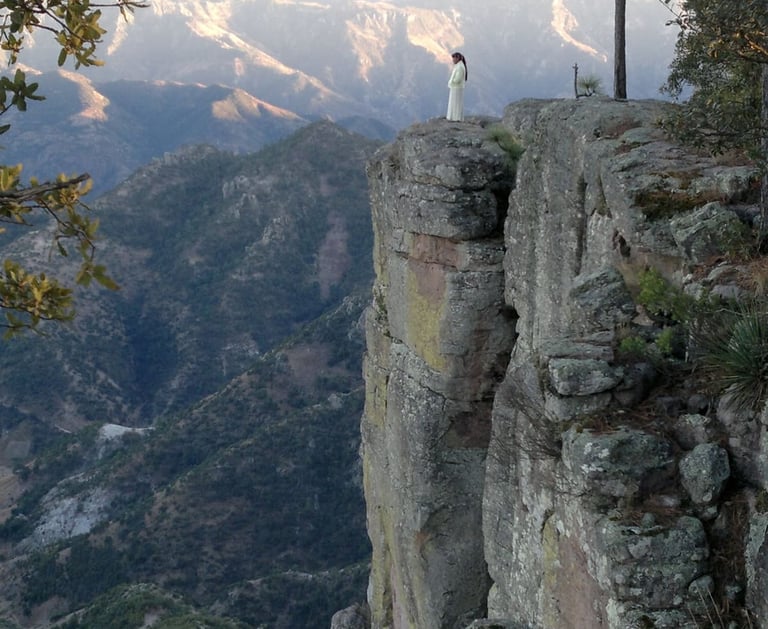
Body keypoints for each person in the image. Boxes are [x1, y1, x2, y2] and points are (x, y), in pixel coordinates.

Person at [446, 52, 467, 122]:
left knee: (456, 103)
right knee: (455, 103)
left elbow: (458, 78)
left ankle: (456, 117)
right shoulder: (459, 66)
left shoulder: (460, 67)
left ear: (457, 58)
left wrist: (452, 81)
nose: (453, 60)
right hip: (455, 87)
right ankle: (454, 117)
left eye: (454, 58)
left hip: (457, 88)